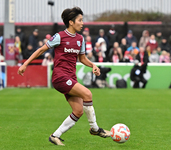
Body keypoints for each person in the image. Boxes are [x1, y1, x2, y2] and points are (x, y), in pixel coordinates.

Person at [18, 7, 110, 146]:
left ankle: (55, 136)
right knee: (88, 94)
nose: (82, 23)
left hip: (71, 78)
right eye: (80, 20)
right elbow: (41, 50)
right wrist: (25, 64)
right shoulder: (60, 36)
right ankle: (95, 129)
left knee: (78, 111)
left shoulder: (80, 39)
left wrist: (93, 66)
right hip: (60, 77)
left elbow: (82, 58)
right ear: (71, 22)